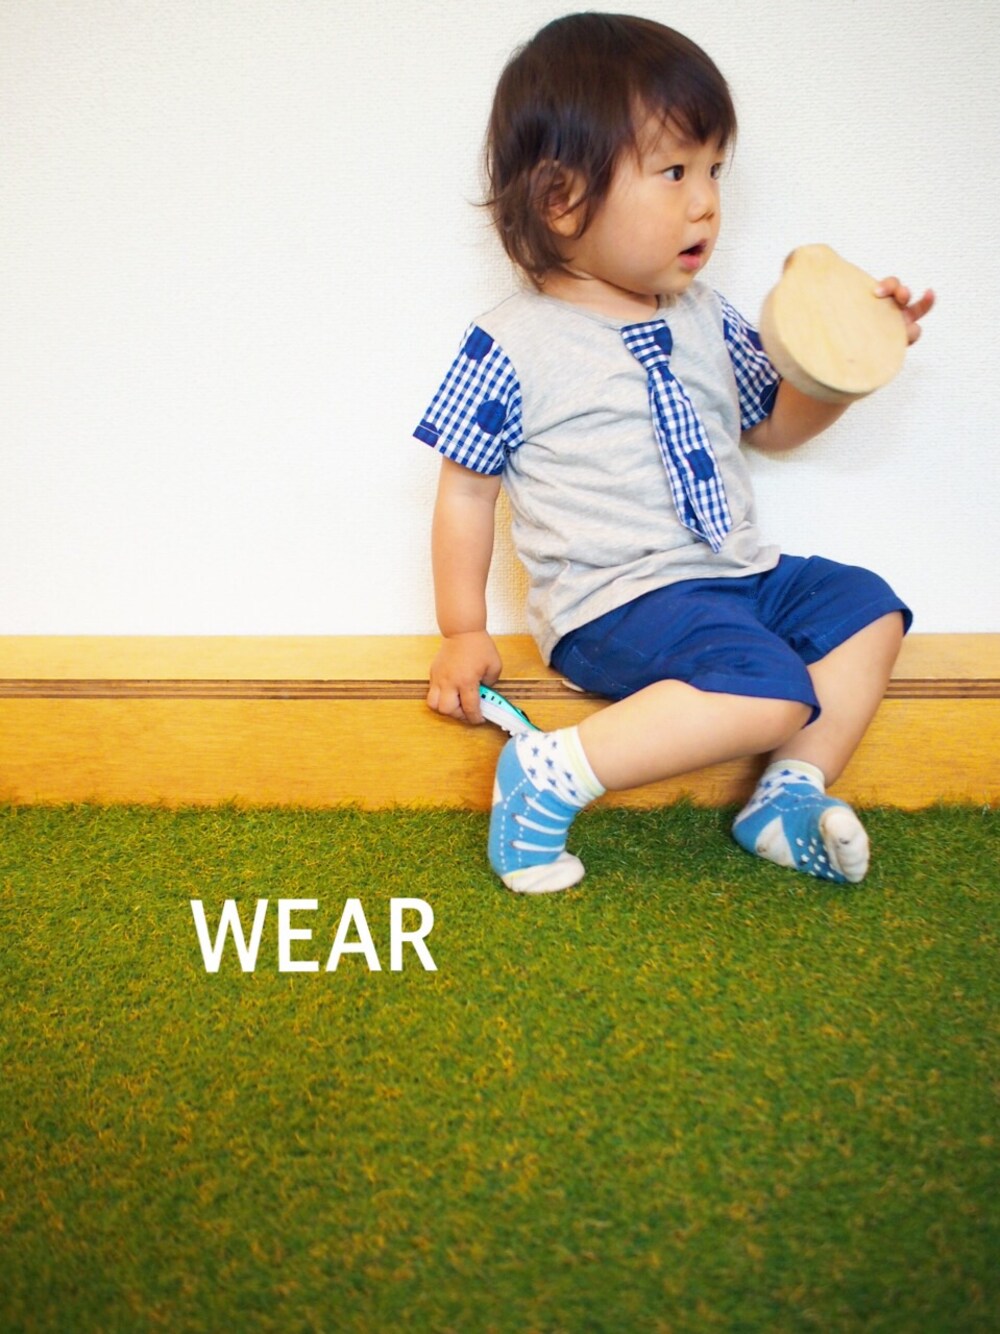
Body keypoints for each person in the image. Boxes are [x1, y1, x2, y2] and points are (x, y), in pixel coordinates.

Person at [414, 13, 934, 894]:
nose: (706, 203)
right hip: (619, 600)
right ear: (561, 199)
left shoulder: (705, 316)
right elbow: (464, 492)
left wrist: (840, 369)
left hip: (737, 573)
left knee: (867, 606)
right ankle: (550, 771)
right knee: (770, 685)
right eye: (674, 172)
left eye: (715, 170)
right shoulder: (511, 343)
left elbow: (773, 425)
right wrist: (463, 631)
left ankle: (787, 794)